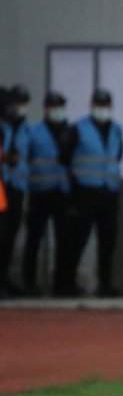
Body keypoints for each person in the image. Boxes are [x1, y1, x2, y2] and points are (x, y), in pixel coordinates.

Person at [62, 89, 123, 297]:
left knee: (108, 241)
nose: (102, 109)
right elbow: (65, 157)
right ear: (91, 105)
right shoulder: (78, 128)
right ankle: (67, 283)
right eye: (99, 104)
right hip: (85, 193)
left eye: (105, 105)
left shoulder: (116, 130)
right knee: (77, 239)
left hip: (109, 193)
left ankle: (105, 285)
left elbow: (117, 156)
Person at [22, 91, 73, 297]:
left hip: (63, 193)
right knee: (33, 240)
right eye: (53, 106)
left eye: (60, 106)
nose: (56, 110)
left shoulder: (70, 131)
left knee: (64, 241)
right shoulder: (33, 132)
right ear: (45, 108)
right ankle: (29, 284)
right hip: (40, 192)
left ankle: (61, 285)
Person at [0, 84, 31, 297]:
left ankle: (4, 280)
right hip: (1, 186)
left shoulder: (26, 129)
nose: (16, 108)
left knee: (10, 237)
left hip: (17, 187)